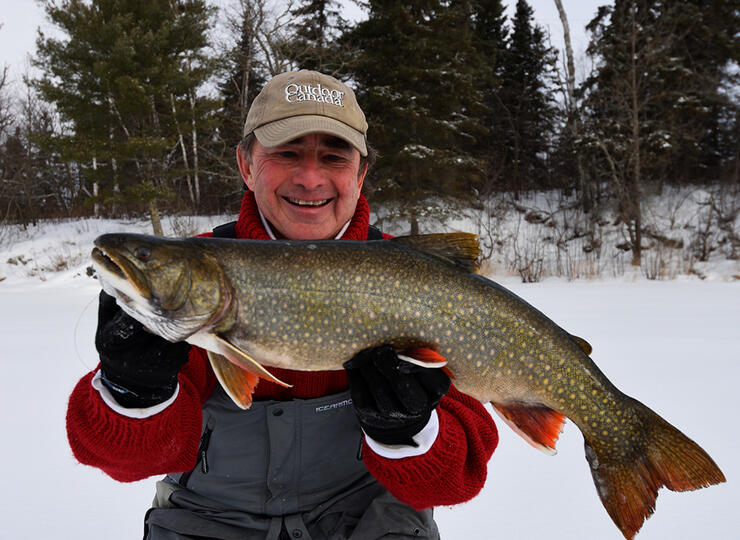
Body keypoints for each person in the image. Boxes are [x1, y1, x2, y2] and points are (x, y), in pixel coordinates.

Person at [67, 70, 498, 540]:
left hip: (367, 520)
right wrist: (133, 393)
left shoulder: (412, 275)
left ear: (361, 172)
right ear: (247, 165)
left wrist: (409, 433)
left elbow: (458, 478)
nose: (310, 177)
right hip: (209, 521)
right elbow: (122, 460)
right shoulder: (199, 271)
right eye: (287, 153)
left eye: (333, 156)